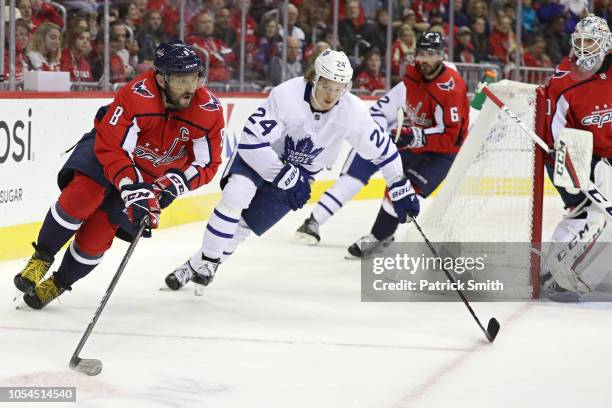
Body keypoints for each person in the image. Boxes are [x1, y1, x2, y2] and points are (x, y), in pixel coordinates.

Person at [164, 49, 420, 294]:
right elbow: (251, 143)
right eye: (326, 85)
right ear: (314, 78)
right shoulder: (287, 95)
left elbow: (384, 151)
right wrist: (284, 175)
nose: (332, 94)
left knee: (244, 227)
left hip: (301, 174)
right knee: (236, 196)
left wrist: (399, 185)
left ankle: (195, 266)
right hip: (261, 159)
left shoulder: (353, 112)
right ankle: (209, 258)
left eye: (339, 88)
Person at [14, 41, 225, 310]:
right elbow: (113, 147)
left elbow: (208, 162)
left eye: (194, 78)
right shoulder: (136, 95)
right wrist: (131, 187)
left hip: (150, 176)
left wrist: (172, 184)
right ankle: (42, 257)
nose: (190, 88)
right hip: (106, 151)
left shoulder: (208, 110)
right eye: (182, 80)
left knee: (99, 235)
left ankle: (59, 282)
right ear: (161, 79)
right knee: (85, 193)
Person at [294, 33, 469, 258]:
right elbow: (378, 111)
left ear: (442, 57)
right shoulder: (412, 78)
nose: (425, 59)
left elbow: (450, 138)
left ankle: (379, 237)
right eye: (422, 54)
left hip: (440, 152)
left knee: (403, 189)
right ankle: (317, 222)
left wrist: (413, 136)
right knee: (370, 180)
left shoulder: (450, 89)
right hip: (402, 141)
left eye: (431, 54)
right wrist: (384, 135)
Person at [537, 15, 612, 301]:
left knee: (587, 217)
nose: (583, 48)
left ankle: (553, 271)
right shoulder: (563, 81)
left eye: (590, 41)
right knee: (588, 217)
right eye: (578, 41)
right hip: (579, 157)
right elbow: (553, 135)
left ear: (605, 44)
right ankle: (559, 276)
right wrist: (566, 165)